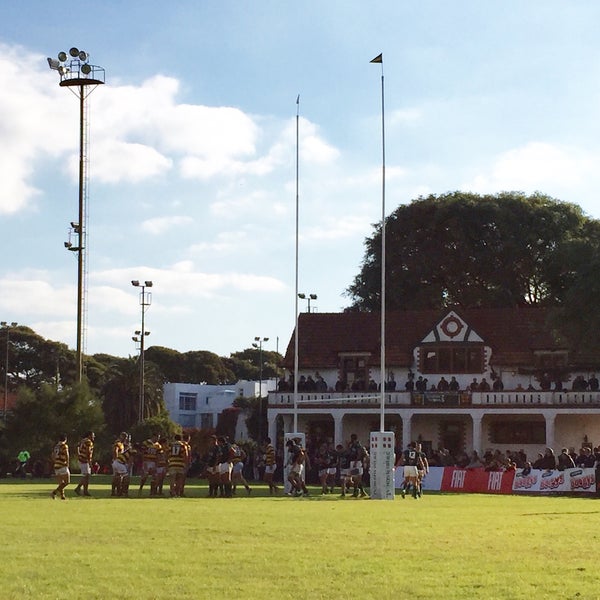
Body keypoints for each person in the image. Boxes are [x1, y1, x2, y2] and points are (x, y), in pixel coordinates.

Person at [74, 431, 95, 497]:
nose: (94, 437)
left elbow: (77, 448)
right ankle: (80, 489)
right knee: (86, 475)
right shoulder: (88, 442)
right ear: (89, 435)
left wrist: (79, 455)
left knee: (86, 475)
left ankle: (83, 490)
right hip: (85, 460)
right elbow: (88, 452)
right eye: (93, 435)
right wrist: (90, 462)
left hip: (81, 459)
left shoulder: (82, 441)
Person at [51, 433, 70, 500]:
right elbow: (67, 454)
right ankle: (54, 492)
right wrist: (67, 463)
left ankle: (62, 496)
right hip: (62, 465)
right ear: (65, 439)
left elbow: (52, 455)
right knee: (67, 482)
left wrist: (55, 461)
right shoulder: (64, 445)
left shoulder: (56, 446)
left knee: (61, 483)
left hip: (56, 465)